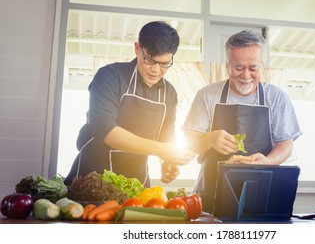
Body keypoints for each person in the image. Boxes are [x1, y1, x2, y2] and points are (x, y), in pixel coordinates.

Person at [182, 30, 302, 213]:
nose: (246, 75)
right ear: (227, 66)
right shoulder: (207, 95)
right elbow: (188, 143)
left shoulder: (277, 98)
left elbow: (285, 146)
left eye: (253, 68)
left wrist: (266, 161)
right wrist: (209, 139)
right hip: (211, 196)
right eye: (238, 68)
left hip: (262, 196)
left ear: (262, 66)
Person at [64, 21, 195, 187]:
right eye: (149, 60)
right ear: (137, 48)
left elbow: (166, 138)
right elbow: (105, 129)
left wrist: (167, 163)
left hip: (136, 184)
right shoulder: (110, 76)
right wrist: (161, 150)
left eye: (164, 64)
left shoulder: (169, 94)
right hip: (92, 179)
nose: (156, 70)